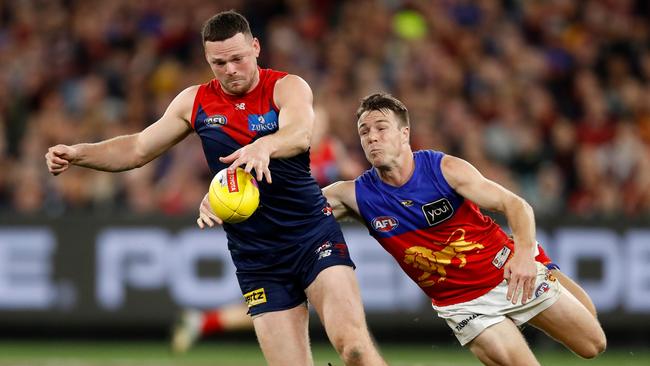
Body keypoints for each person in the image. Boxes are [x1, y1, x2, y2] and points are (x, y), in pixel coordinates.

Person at [45, 11, 387, 366]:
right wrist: (79, 153)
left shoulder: (287, 86)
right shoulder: (195, 102)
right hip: (257, 257)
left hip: (312, 236)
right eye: (219, 62)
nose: (230, 70)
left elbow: (300, 133)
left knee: (354, 349)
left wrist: (264, 146)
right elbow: (137, 148)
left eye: (238, 58)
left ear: (256, 47)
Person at [323, 92, 606, 364]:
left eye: (381, 128)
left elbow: (516, 205)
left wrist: (523, 256)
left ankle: (545, 267)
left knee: (593, 344)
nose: (372, 137)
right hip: (464, 306)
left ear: (404, 133)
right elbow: (298, 209)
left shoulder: (443, 169)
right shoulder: (355, 195)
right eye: (364, 131)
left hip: (507, 271)